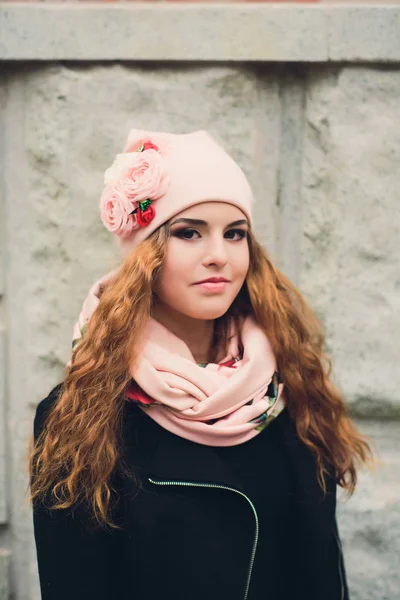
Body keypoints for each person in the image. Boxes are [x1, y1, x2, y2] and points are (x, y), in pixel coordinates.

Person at [28, 128, 375, 600]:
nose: (219, 256)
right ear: (144, 256)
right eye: (188, 233)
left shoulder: (289, 389)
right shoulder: (82, 414)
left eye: (235, 234)